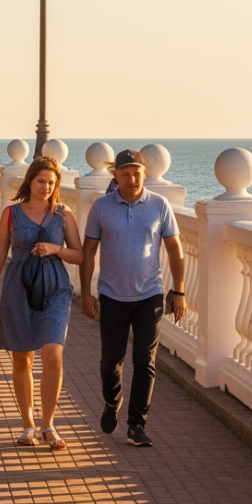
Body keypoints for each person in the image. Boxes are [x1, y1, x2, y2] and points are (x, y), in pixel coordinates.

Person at [80, 149, 187, 448]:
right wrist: (86, 293)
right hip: (112, 296)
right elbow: (87, 253)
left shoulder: (159, 205)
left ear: (145, 174)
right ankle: (112, 402)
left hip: (149, 295)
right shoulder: (101, 207)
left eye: (136, 172)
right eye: (125, 173)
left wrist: (178, 291)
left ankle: (136, 425)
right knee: (111, 361)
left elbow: (175, 251)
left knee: (145, 360)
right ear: (115, 175)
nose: (131, 178)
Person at [0, 157, 84, 450]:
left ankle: (48, 424)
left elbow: (79, 255)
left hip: (55, 289)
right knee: (22, 359)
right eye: (41, 181)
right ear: (29, 181)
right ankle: (28, 425)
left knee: (53, 355)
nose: (46, 187)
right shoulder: (11, 213)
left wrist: (56, 249)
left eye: (51, 182)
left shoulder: (64, 214)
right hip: (18, 287)